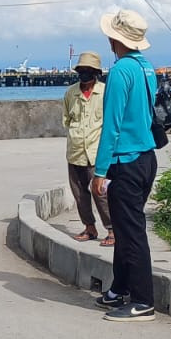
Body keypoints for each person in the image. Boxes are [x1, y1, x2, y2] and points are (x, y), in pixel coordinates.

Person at [90, 10, 160, 322]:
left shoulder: (120, 72)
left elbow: (112, 125)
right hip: (146, 157)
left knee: (131, 233)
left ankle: (143, 300)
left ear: (113, 38)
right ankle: (119, 288)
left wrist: (100, 170)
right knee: (124, 226)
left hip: (125, 161)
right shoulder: (146, 69)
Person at [62, 52, 112, 245]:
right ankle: (89, 227)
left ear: (96, 72)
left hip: (97, 150)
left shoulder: (105, 92)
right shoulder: (70, 93)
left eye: (88, 70)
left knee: (100, 192)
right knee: (79, 193)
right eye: (81, 70)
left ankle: (112, 229)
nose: (84, 73)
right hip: (75, 150)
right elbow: (67, 119)